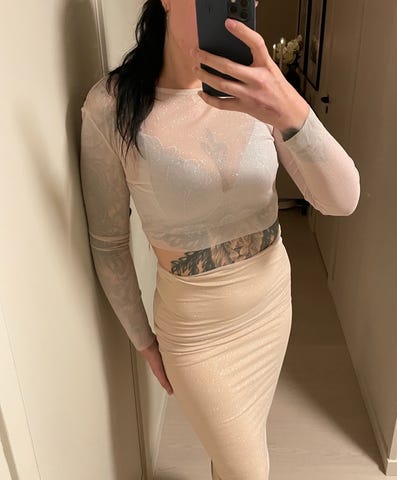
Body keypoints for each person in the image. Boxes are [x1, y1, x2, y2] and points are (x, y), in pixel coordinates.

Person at [79, 1, 360, 478]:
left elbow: (343, 199)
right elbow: (109, 243)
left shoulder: (261, 90)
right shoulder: (111, 107)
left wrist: (287, 105)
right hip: (197, 334)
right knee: (248, 469)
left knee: (234, 454)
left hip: (272, 305)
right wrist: (144, 342)